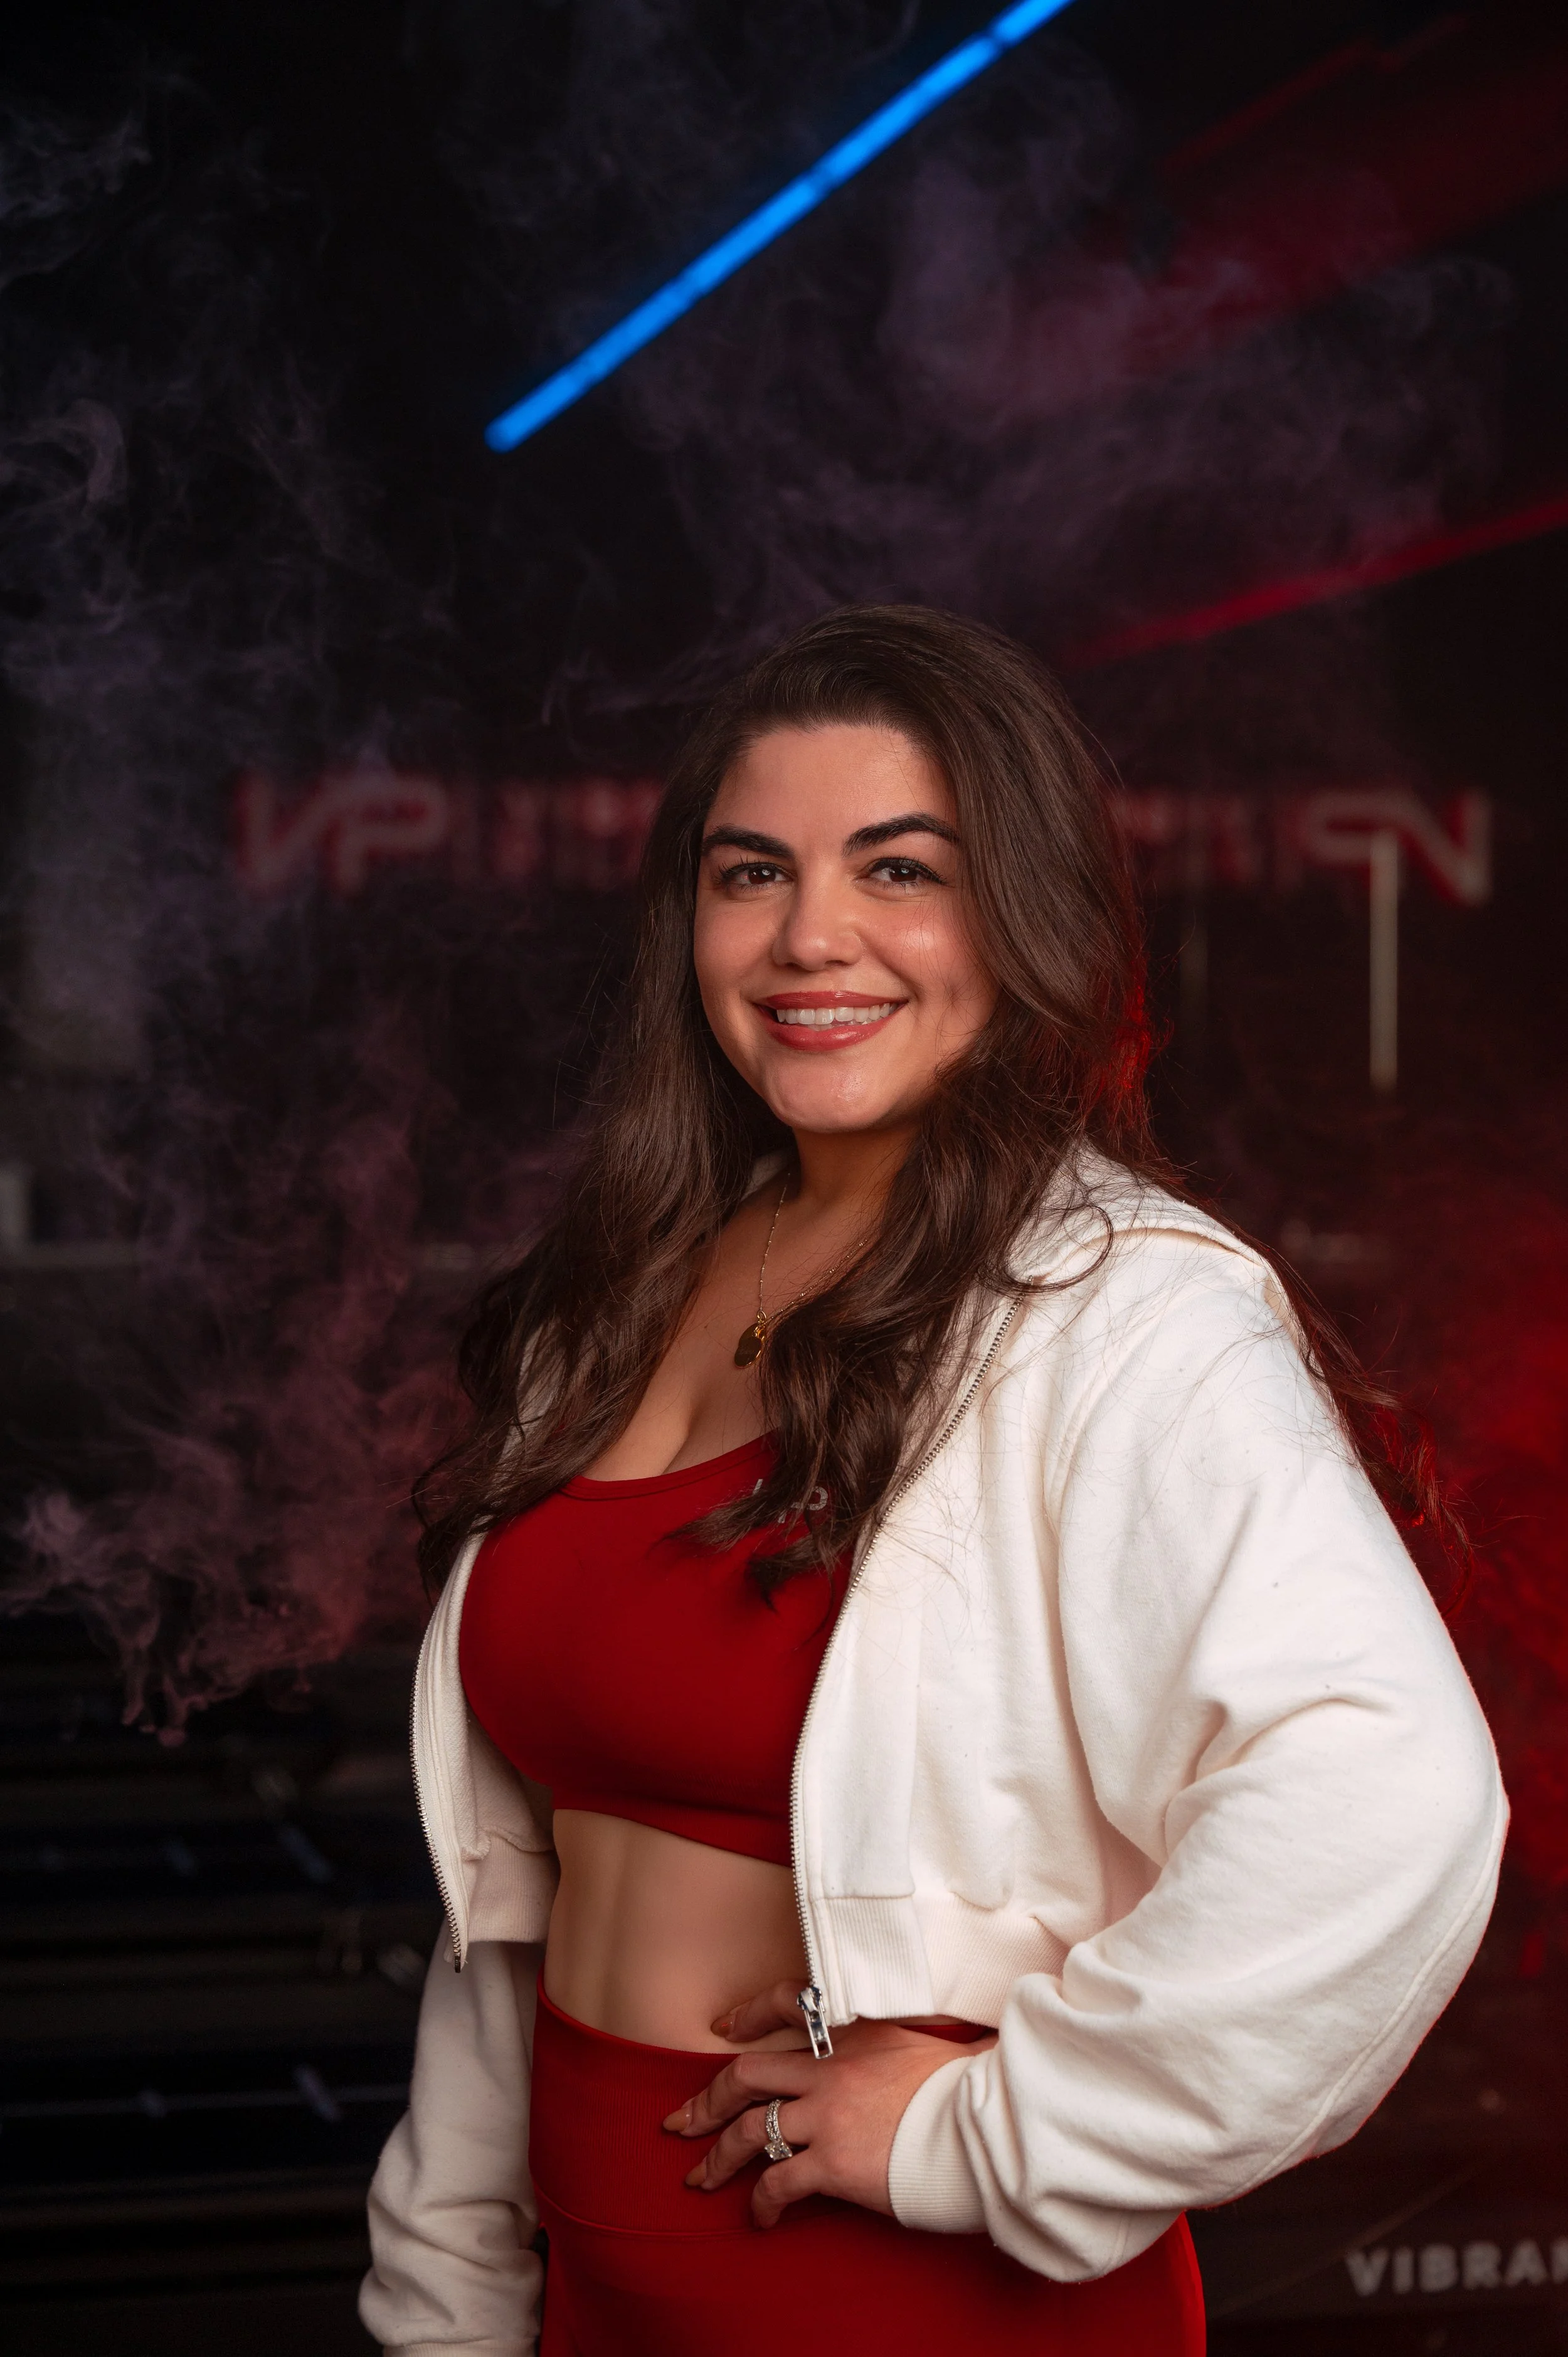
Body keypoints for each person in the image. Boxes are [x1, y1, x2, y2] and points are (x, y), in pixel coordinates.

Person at [359, 605, 1505, 2357]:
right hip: (598, 2287)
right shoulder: (628, 1284)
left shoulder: (1122, 1304)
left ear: (1019, 912)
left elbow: (1386, 1794)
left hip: (921, 2293)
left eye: (899, 869)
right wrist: (444, 2277)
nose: (810, 934)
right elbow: (527, 1884)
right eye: (751, 873)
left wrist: (998, 2124)